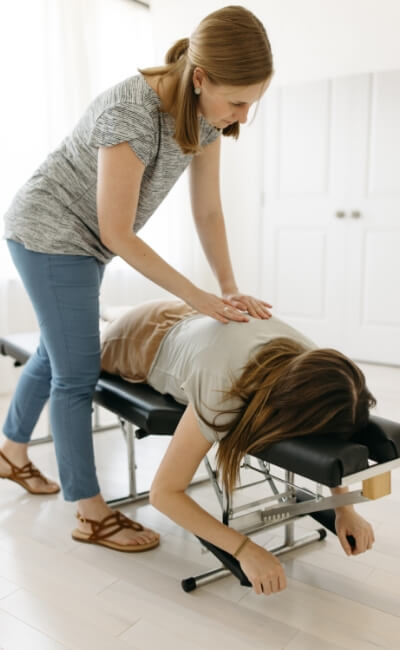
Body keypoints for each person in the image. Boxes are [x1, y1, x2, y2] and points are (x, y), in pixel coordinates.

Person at [0, 6, 274, 552]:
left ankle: (9, 453)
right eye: (239, 100)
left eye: (255, 100)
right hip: (51, 232)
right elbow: (118, 232)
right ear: (200, 78)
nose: (245, 113)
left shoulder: (208, 116)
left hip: (88, 240)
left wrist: (226, 287)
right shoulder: (131, 111)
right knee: (77, 372)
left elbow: (209, 211)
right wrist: (197, 298)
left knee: (58, 354)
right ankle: (90, 514)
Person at [100, 298, 377, 597]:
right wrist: (245, 548)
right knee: (103, 329)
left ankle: (114, 310)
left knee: (118, 311)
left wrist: (344, 508)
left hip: (193, 319)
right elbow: (164, 493)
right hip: (140, 342)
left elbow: (333, 432)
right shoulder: (223, 389)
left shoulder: (318, 366)